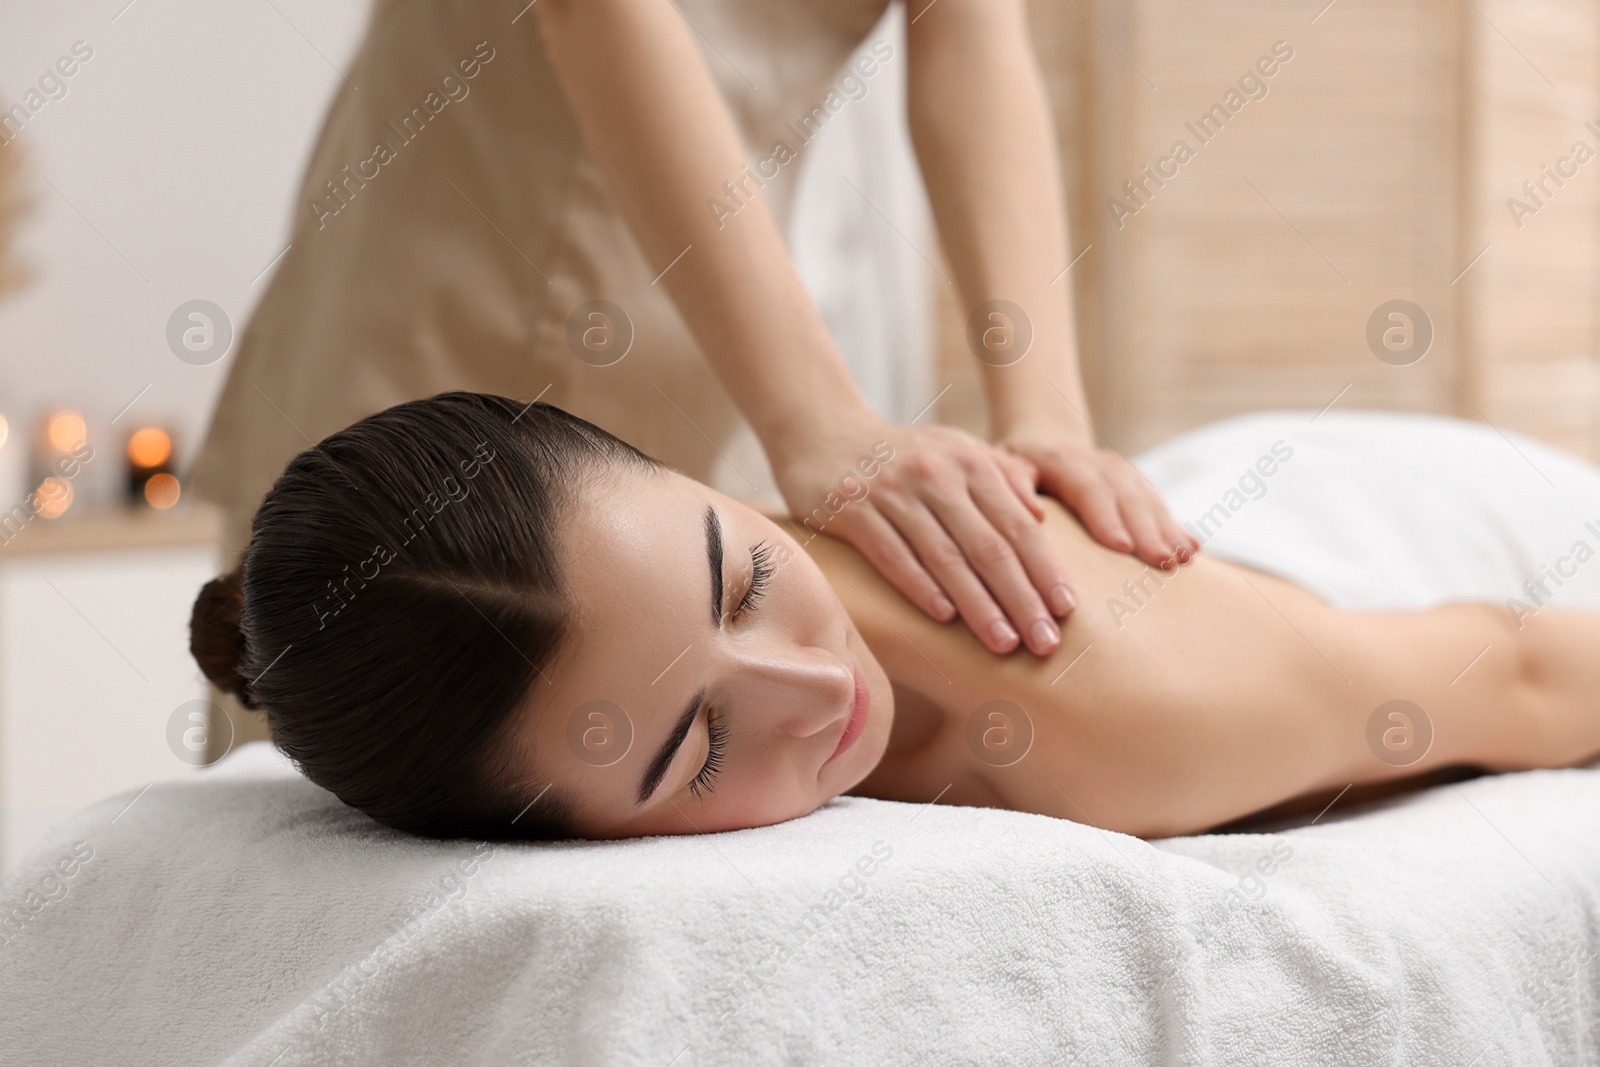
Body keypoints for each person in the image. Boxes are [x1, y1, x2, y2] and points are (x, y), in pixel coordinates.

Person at [186, 0, 1196, 666]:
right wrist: (818, 418)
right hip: (438, 322)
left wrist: (1046, 415)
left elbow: (971, 37)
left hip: (702, 358)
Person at [189, 392, 1600, 840]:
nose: (811, 687)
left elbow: (1527, 672)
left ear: (706, 478)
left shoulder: (1116, 714)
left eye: (743, 575)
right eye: (696, 742)